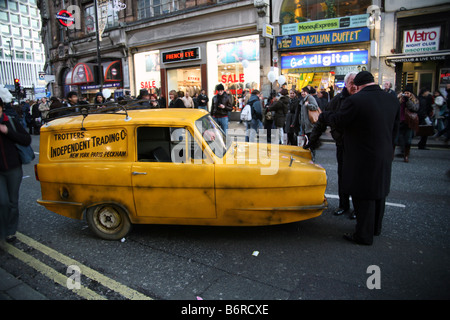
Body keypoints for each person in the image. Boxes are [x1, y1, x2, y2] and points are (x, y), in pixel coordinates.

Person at [319, 71, 400, 245]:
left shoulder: (355, 101)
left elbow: (340, 121)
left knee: (363, 195)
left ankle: (363, 235)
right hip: (384, 152)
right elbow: (395, 128)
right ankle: (376, 228)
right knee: (379, 192)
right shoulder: (391, 99)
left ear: (358, 84)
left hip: (362, 156)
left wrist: (324, 115)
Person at [306, 71, 358, 218]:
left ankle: (358, 208)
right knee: (343, 175)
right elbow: (322, 120)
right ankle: (343, 205)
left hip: (360, 147)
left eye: (356, 83)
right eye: (351, 83)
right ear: (346, 84)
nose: (354, 86)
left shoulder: (363, 99)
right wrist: (313, 141)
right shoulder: (337, 100)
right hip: (343, 145)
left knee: (357, 178)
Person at [0, 97, 32, 244]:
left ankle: (10, 232)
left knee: (12, 202)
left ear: (1, 108)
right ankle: (2, 232)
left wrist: (7, 131)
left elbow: (26, 140)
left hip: (13, 168)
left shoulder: (11, 120)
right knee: (3, 202)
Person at [395, 86, 419, 163]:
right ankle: (395, 154)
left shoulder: (414, 100)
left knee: (408, 140)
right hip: (399, 121)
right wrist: (397, 98)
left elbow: (415, 108)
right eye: (404, 93)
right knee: (396, 139)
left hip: (409, 122)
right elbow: (394, 107)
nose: (405, 94)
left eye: (407, 93)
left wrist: (408, 100)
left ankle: (406, 156)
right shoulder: (400, 99)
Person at [293, 86, 319, 151]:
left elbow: (316, 106)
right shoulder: (303, 99)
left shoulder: (310, 98)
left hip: (310, 123)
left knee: (311, 140)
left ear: (307, 92)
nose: (303, 93)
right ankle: (311, 153)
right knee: (309, 139)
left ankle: (313, 154)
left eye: (304, 92)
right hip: (305, 124)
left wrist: (308, 105)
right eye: (302, 92)